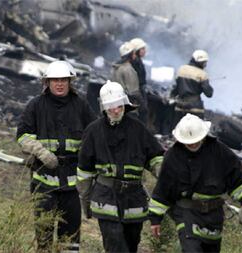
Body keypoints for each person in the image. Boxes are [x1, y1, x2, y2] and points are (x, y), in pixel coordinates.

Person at [16, 60, 96, 252]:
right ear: (47, 83)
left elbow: (94, 134)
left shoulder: (81, 106)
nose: (59, 84)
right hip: (43, 181)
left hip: (71, 185)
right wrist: (41, 152)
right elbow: (22, 136)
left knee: (70, 239)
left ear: (70, 82)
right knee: (44, 237)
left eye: (63, 80)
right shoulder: (35, 105)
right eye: (55, 80)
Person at [149, 113, 242, 253]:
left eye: (196, 139)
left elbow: (238, 178)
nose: (192, 143)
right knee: (191, 249)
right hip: (186, 212)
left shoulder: (220, 151)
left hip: (214, 215)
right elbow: (163, 188)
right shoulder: (172, 156)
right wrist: (155, 219)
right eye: (188, 141)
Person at [76, 80, 164, 252]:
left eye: (118, 106)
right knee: (115, 245)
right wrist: (86, 202)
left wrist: (166, 177)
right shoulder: (93, 131)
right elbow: (84, 171)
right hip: (105, 197)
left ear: (125, 104)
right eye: (110, 107)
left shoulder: (138, 129)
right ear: (103, 108)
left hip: (134, 199)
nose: (115, 110)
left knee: (131, 245)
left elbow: (155, 158)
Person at [170, 49, 213, 126]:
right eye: (205, 62)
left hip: (180, 106)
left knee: (178, 130)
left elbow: (176, 88)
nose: (205, 65)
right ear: (201, 62)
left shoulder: (181, 69)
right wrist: (206, 83)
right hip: (195, 108)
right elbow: (209, 94)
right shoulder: (202, 74)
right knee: (195, 133)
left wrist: (171, 97)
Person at [111, 41, 141, 108]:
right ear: (129, 55)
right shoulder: (128, 69)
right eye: (133, 53)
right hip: (127, 105)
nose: (135, 55)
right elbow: (133, 92)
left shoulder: (115, 67)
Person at [130, 37, 149, 125]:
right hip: (137, 92)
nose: (144, 51)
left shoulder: (138, 61)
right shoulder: (135, 62)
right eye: (142, 49)